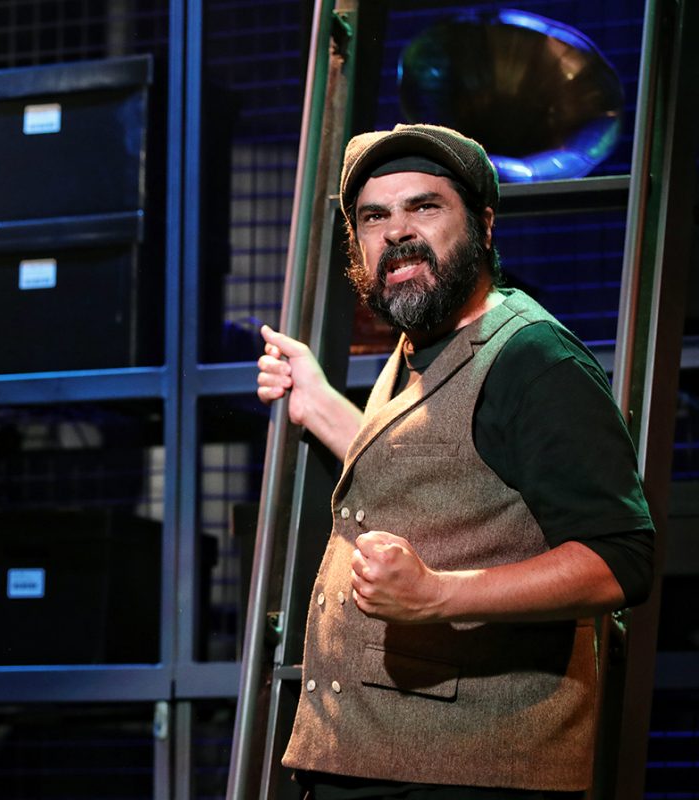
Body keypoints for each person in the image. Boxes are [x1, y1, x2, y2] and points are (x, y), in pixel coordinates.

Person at [255, 123, 655, 799]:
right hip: (366, 759)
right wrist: (320, 406)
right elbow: (443, 472)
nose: (398, 231)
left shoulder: (535, 360)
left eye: (425, 206)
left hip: (467, 773)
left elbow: (621, 558)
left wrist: (439, 595)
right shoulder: (420, 344)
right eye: (374, 217)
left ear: (484, 226)